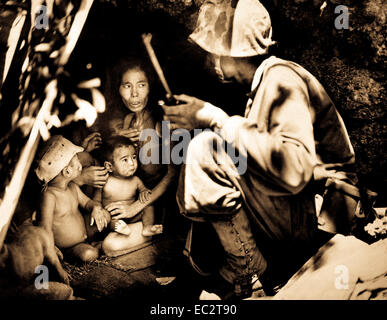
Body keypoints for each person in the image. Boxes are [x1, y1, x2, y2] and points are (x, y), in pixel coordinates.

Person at [162, 0, 358, 299]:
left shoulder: (281, 78)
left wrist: (215, 120)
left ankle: (249, 276)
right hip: (303, 209)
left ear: (228, 53)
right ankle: (245, 269)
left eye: (212, 52)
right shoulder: (267, 80)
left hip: (320, 220)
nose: (208, 61)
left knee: (206, 149)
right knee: (210, 146)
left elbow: (293, 170)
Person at [95, 56, 177, 231]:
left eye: (141, 85)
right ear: (118, 89)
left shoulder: (163, 121)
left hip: (158, 199)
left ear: (150, 87)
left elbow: (173, 174)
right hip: (130, 195)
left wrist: (136, 207)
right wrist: (116, 140)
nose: (134, 94)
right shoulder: (120, 121)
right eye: (127, 86)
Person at [35, 135, 110, 262]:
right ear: (67, 172)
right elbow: (45, 228)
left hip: (84, 232)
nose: (80, 163)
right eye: (76, 160)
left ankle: (94, 243)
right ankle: (95, 248)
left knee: (105, 215)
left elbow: (87, 203)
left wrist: (96, 208)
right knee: (88, 254)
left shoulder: (72, 187)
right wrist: (51, 249)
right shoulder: (49, 196)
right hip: (69, 246)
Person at [95, 136, 163, 257]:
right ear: (109, 166)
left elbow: (144, 191)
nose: (132, 163)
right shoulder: (104, 182)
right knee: (109, 217)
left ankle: (147, 227)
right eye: (125, 160)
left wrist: (143, 192)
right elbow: (96, 201)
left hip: (134, 215)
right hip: (114, 217)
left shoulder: (136, 180)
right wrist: (100, 211)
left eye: (134, 157)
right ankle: (122, 230)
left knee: (148, 206)